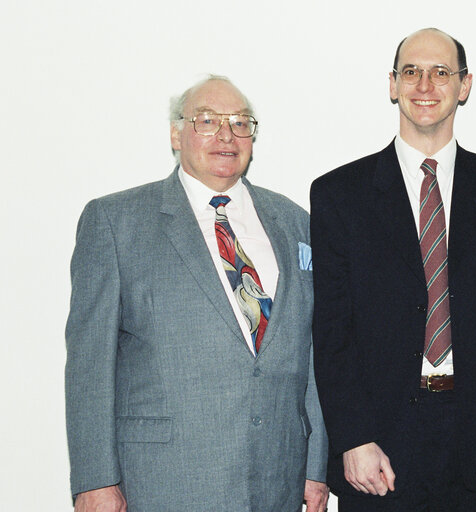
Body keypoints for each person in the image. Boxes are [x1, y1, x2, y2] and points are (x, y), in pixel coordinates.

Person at [65, 75, 328, 512]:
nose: (226, 134)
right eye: (207, 120)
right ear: (176, 133)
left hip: (277, 480)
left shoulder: (296, 222)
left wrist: (316, 466)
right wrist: (94, 480)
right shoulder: (114, 222)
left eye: (241, 122)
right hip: (162, 482)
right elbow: (89, 365)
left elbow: (315, 352)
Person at [310, 28, 476, 512]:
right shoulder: (339, 194)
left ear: (465, 86)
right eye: (411, 72)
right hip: (379, 449)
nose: (425, 85)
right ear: (392, 85)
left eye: (441, 72)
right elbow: (332, 332)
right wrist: (352, 437)